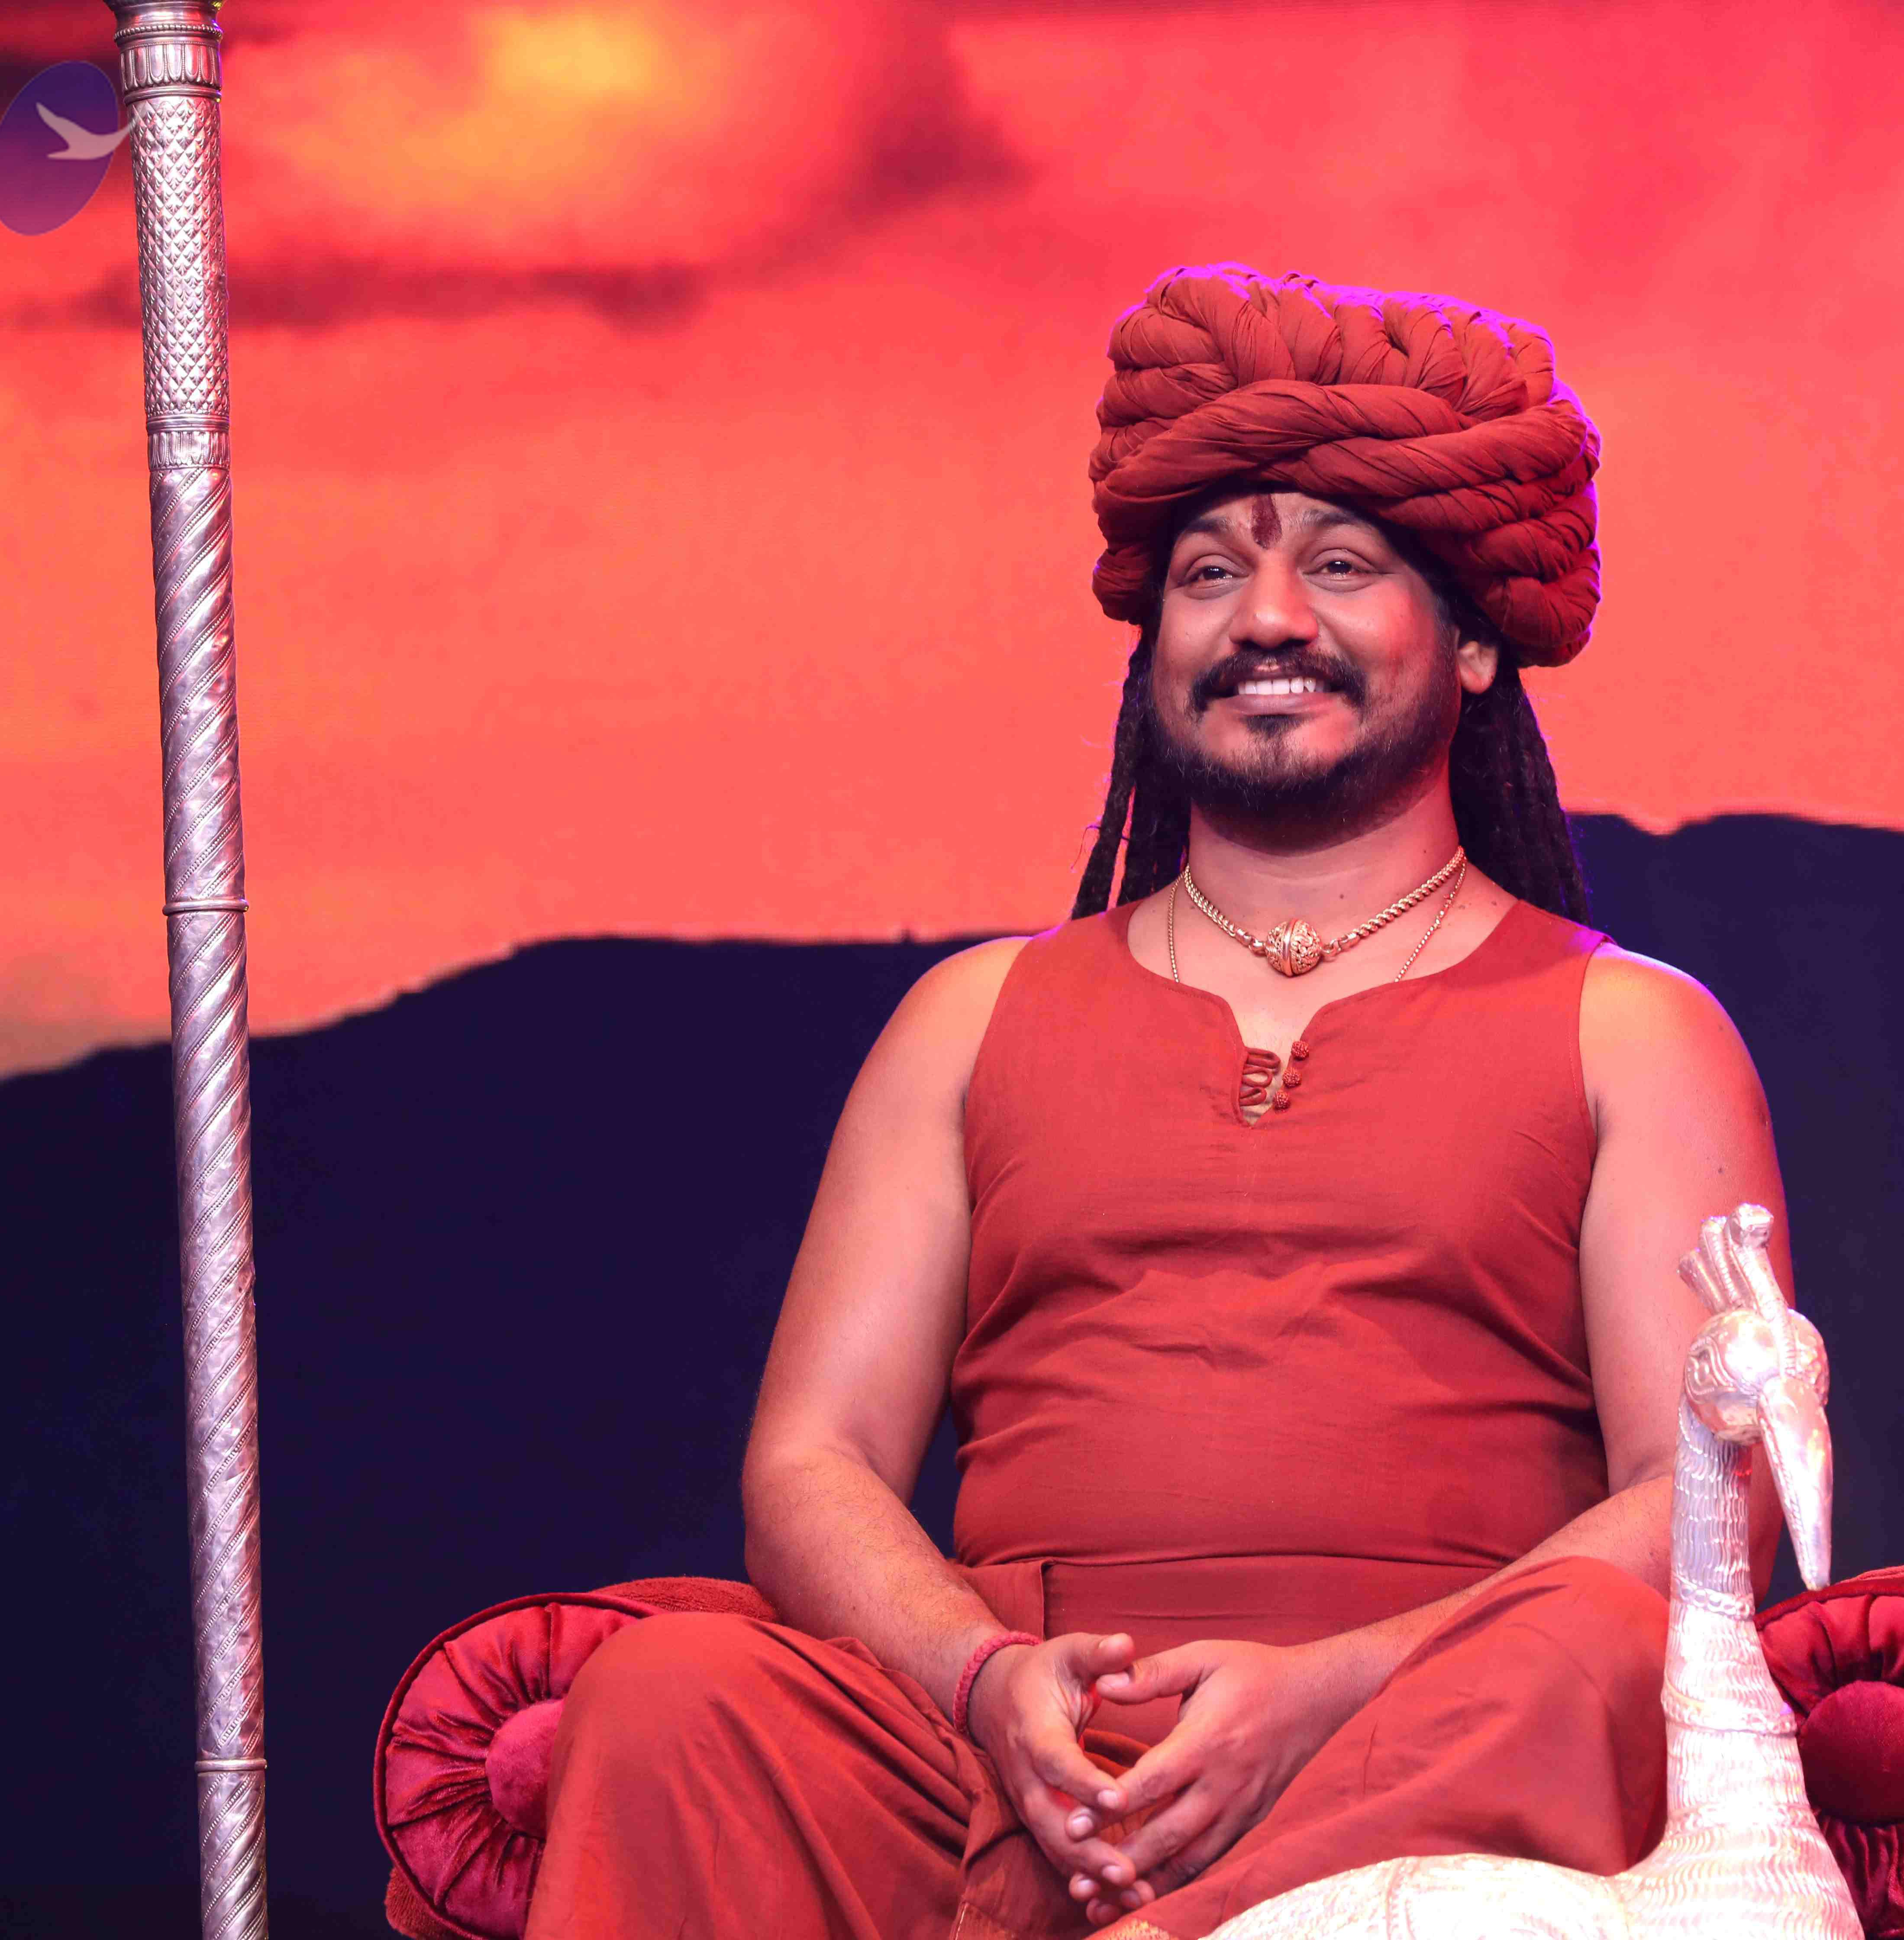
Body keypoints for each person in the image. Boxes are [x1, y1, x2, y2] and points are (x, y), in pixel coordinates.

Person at [524, 264, 1798, 1940]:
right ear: (1152, 648)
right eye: (1210, 574)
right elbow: (813, 1461)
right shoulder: (972, 1017)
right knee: (677, 1697)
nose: (1266, 620)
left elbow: (1713, 1501)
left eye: (1339, 565)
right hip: (1012, 1753)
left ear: (1480, 639)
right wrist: (983, 1680)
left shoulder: (1630, 1029)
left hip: (1420, 1735)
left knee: (1598, 1657)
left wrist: (1332, 1689)